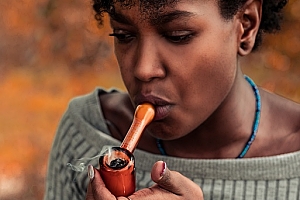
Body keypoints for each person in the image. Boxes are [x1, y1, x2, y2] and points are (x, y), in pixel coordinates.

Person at [44, 0, 300, 199]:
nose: (143, 69)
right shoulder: (87, 133)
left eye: (177, 35)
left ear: (246, 25)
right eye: (123, 35)